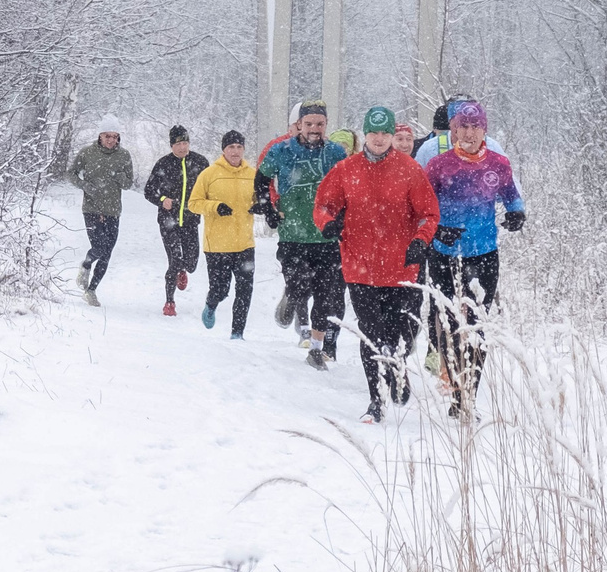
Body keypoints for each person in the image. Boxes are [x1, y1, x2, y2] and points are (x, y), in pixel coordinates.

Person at [313, 105, 441, 425]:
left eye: (386, 133)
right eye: (375, 133)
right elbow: (324, 204)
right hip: (360, 266)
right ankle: (376, 401)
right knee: (371, 335)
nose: (381, 139)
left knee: (402, 333)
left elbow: (429, 213)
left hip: (402, 266)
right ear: (365, 134)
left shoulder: (409, 169)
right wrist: (327, 223)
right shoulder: (346, 169)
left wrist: (421, 240)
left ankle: (397, 366)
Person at [421, 98, 527, 415]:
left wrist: (517, 214)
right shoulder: (438, 166)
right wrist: (437, 228)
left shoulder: (498, 163)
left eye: (475, 126)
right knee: (450, 325)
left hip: (483, 256)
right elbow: (421, 210)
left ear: (484, 130)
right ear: (452, 131)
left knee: (477, 328)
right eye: (462, 127)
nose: (468, 133)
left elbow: (512, 197)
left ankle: (466, 397)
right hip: (444, 256)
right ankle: (453, 385)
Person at [256, 102, 348, 367]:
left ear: (325, 126)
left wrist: (342, 218)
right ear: (299, 125)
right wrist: (267, 208)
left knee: (325, 295)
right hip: (293, 233)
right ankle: (291, 296)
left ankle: (316, 349)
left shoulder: (336, 153)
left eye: (319, 124)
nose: (314, 129)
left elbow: (348, 188)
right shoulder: (282, 150)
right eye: (308, 124)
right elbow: (261, 179)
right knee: (299, 284)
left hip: (326, 236)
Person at [185, 130, 259, 336]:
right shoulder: (209, 174)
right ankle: (211, 304)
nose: (235, 152)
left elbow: (260, 199)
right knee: (221, 289)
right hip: (218, 245)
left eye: (239, 147)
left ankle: (237, 333)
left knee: (245, 291)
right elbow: (194, 204)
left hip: (245, 243)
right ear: (223, 150)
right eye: (231, 147)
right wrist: (215, 206)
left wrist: (260, 205)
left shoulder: (252, 174)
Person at [141, 126, 208, 317]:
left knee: (192, 263)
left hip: (190, 220)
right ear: (172, 145)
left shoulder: (200, 162)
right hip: (168, 221)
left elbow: (210, 187)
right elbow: (149, 190)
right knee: (175, 260)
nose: (182, 147)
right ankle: (169, 301)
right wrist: (163, 200)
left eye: (185, 143)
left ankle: (183, 271)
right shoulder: (163, 164)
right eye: (178, 144)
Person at [66, 124, 133, 307]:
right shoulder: (88, 153)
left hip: (113, 210)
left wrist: (120, 178)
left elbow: (128, 183)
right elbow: (70, 173)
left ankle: (92, 290)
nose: (111, 140)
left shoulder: (124, 155)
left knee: (107, 253)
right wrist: (85, 185)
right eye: (107, 136)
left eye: (114, 136)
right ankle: (87, 264)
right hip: (92, 208)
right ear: (100, 136)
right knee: (100, 247)